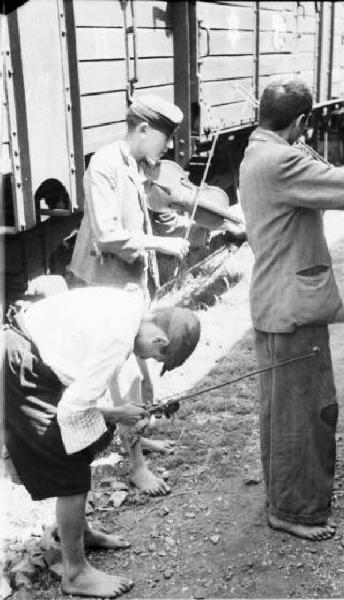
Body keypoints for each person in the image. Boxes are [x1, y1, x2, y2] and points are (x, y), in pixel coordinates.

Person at [239, 78, 344, 541]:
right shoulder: (284, 160)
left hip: (275, 301)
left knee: (280, 410)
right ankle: (293, 510)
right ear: (299, 122)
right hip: (293, 306)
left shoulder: (256, 151)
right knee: (304, 410)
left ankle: (284, 499)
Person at [3, 285, 200, 598]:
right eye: (154, 356)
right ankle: (76, 573)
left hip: (32, 351)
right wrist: (117, 413)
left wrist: (113, 415)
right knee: (69, 464)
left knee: (87, 441)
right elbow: (73, 412)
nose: (145, 358)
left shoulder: (131, 306)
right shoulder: (120, 337)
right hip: (22, 362)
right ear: (159, 341)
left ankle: (80, 533)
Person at [69, 94, 192, 495]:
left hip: (128, 285)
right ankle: (136, 465)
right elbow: (107, 234)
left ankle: (139, 438)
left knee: (140, 375)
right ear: (142, 129)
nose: (168, 147)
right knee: (123, 381)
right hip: (104, 284)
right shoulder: (105, 162)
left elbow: (140, 211)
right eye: (164, 137)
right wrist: (161, 243)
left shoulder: (138, 164)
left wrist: (169, 218)